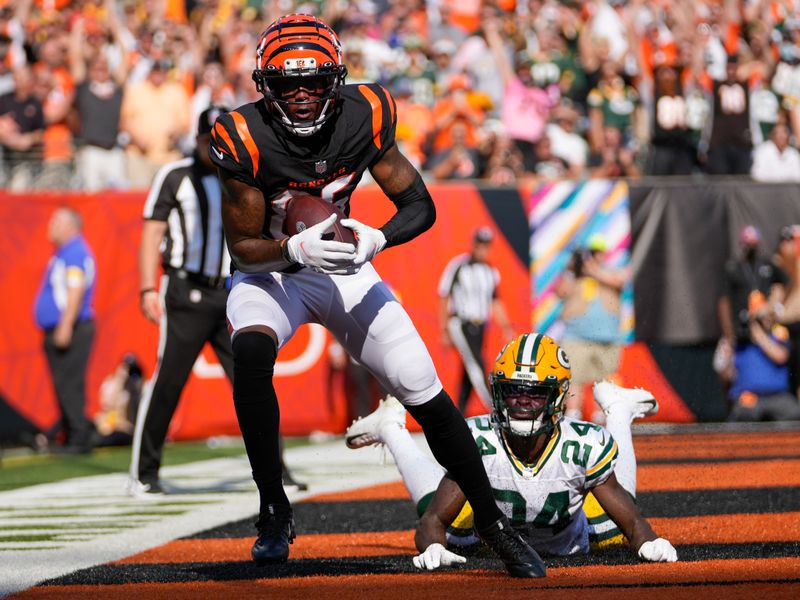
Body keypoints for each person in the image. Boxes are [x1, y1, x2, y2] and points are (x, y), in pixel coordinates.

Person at [210, 14, 544, 577]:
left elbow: (420, 204)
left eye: (313, 81)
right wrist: (293, 250)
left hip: (343, 264)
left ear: (335, 80)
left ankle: (493, 524)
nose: (299, 95)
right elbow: (243, 247)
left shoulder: (366, 113)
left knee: (422, 385)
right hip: (274, 271)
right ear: (264, 85)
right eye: (286, 83)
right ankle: (273, 508)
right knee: (250, 352)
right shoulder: (242, 136)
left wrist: (377, 237)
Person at [345, 333, 677, 569]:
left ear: (557, 399)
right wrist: (432, 545)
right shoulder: (481, 437)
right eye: (513, 391)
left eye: (534, 394)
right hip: (487, 542)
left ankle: (618, 410)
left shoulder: (582, 445)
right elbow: (432, 520)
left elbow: (633, 524)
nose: (521, 403)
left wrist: (650, 542)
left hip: (570, 541)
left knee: (614, 522)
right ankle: (392, 427)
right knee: (447, 524)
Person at [129, 105, 305, 497]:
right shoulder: (175, 176)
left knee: (254, 378)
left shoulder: (248, 176)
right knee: (168, 381)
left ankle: (278, 472)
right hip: (186, 293)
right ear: (197, 140)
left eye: (223, 140)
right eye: (211, 140)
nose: (217, 148)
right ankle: (144, 474)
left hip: (233, 292)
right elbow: (151, 233)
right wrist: (146, 287)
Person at [34, 207, 97, 454]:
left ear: (70, 226)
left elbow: (75, 289)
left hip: (72, 327)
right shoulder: (64, 253)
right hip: (66, 326)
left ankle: (79, 438)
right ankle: (70, 434)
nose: (50, 225)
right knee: (63, 384)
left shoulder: (74, 252)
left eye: (56, 221)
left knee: (69, 384)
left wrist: (65, 324)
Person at [438, 226, 514, 413]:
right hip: (461, 323)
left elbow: (495, 301)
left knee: (469, 371)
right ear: (474, 244)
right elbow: (444, 296)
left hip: (480, 327)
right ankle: (497, 410)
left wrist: (506, 327)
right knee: (477, 367)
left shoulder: (490, 272)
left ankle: (459, 412)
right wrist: (444, 329)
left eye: (487, 245)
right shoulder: (459, 266)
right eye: (480, 244)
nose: (483, 249)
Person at [556, 234, 627, 421]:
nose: (595, 256)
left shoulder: (610, 272)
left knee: (604, 382)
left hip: (607, 338)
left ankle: (600, 419)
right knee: (574, 380)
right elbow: (560, 292)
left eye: (598, 252)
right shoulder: (574, 276)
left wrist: (591, 270)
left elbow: (619, 281)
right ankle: (572, 418)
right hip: (576, 338)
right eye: (591, 253)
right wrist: (571, 270)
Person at [726, 303, 800, 422]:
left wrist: (757, 334)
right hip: (749, 396)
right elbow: (727, 375)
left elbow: (781, 356)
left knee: (794, 413)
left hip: (778, 396)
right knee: (743, 414)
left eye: (769, 317)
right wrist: (727, 352)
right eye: (761, 318)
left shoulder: (778, 337)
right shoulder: (740, 343)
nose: (767, 320)